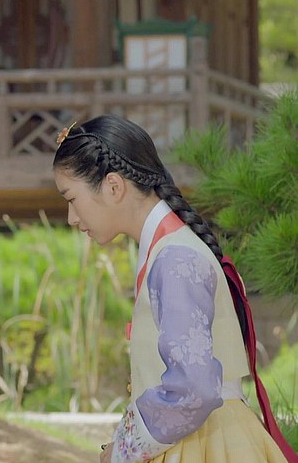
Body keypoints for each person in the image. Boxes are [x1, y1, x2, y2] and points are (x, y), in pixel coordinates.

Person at [53, 115, 292, 463]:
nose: (71, 217)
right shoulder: (169, 250)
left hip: (203, 444)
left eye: (72, 198)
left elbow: (193, 389)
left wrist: (123, 449)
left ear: (113, 186)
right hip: (200, 438)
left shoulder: (176, 257)